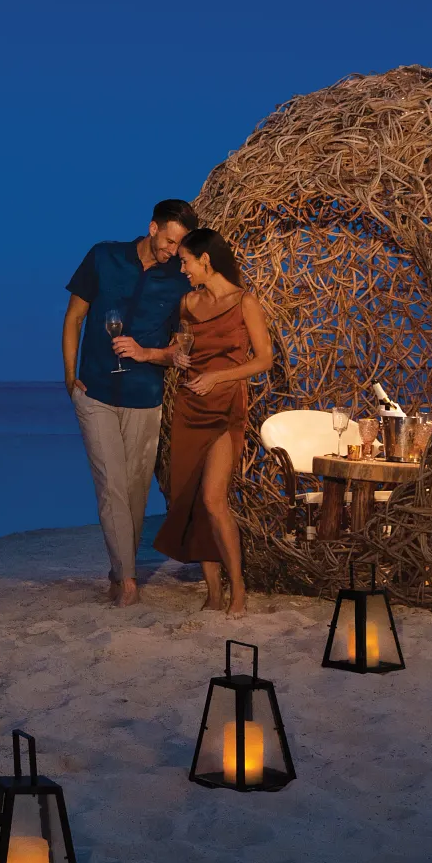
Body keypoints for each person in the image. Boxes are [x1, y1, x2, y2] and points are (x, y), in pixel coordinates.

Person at [63, 199, 198, 606]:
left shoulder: (180, 280)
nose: (172, 252)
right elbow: (74, 318)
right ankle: (127, 581)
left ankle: (118, 568)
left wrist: (147, 354)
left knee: (137, 490)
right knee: (112, 487)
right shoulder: (103, 256)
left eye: (180, 246)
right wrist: (70, 379)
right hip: (96, 391)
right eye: (169, 241)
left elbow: (181, 346)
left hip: (145, 395)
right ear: (153, 227)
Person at [133, 228, 273, 617]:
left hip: (226, 407)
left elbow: (264, 359)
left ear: (206, 260)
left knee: (213, 500)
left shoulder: (244, 301)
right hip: (188, 407)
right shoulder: (188, 302)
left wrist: (217, 377)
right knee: (191, 501)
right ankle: (213, 592)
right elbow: (178, 348)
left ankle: (238, 588)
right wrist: (173, 356)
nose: (183, 268)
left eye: (186, 261)